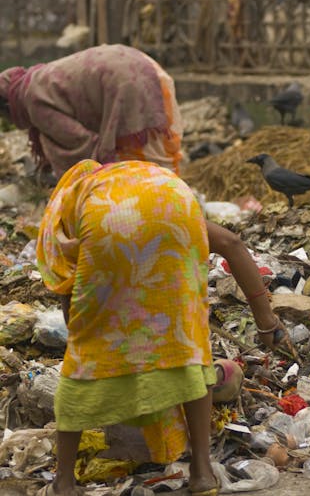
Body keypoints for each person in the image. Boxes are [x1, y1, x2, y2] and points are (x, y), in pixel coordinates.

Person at [0, 44, 290, 351]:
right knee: (194, 367)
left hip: (125, 112)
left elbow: (67, 280)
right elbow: (232, 244)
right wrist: (266, 321)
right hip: (148, 75)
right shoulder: (169, 191)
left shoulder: (82, 206)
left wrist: (79, 345)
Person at [36, 160, 220, 496]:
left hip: (110, 221)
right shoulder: (135, 178)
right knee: (188, 343)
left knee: (83, 358)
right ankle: (203, 474)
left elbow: (68, 292)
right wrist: (268, 321)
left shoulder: (65, 209)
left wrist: (88, 343)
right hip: (177, 204)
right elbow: (233, 245)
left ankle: (63, 483)